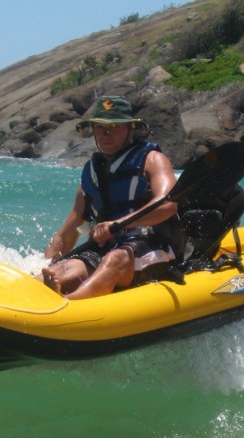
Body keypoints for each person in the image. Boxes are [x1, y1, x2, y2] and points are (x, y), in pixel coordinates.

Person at [41, 96, 183, 299]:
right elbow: (65, 236)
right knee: (65, 270)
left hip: (153, 245)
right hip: (106, 248)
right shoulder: (91, 175)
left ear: (130, 129)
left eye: (115, 127)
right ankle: (37, 291)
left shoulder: (152, 160)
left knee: (115, 259)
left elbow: (168, 204)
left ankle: (68, 304)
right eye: (100, 127)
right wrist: (47, 264)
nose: (106, 134)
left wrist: (117, 224)